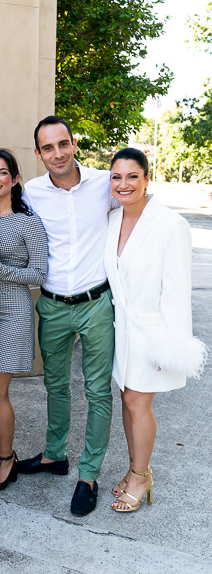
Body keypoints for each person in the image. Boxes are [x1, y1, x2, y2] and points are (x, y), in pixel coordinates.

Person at [20, 115, 116, 517]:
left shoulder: (104, 183)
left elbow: (140, 208)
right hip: (53, 305)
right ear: (38, 153)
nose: (57, 153)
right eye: (48, 147)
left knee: (98, 392)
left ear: (74, 144)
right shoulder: (32, 192)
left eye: (63, 144)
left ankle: (89, 475)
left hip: (96, 304)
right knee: (56, 386)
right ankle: (54, 455)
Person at [105, 148, 206, 512]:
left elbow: (177, 290)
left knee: (138, 402)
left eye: (132, 176)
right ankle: (137, 468)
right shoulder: (112, 218)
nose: (124, 184)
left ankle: (140, 476)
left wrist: (171, 346)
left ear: (147, 179)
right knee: (126, 399)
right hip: (121, 331)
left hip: (152, 333)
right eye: (117, 177)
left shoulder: (170, 224)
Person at [0, 149, 48, 492]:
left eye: (2, 172)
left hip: (12, 313)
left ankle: (7, 457)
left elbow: (39, 273)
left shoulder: (27, 222)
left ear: (15, 179)